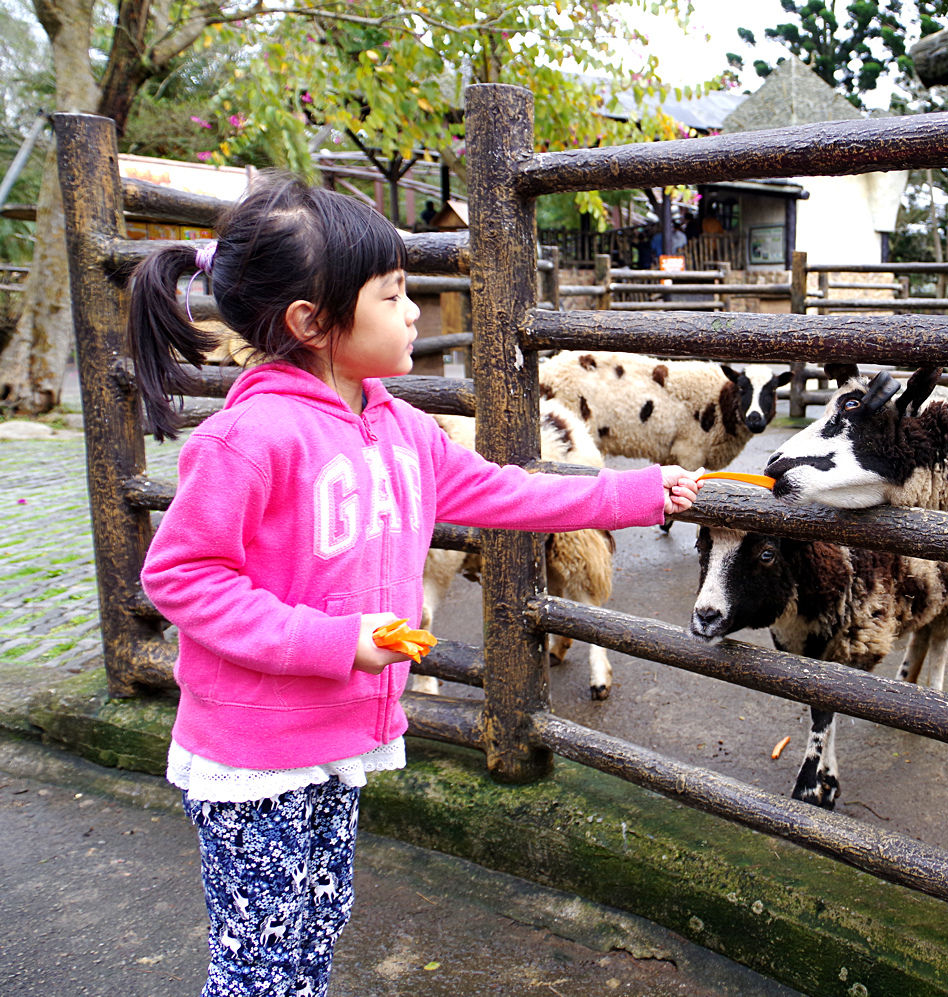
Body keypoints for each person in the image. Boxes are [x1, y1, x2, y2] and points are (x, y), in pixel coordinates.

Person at [128, 173, 701, 997]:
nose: (412, 313)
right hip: (253, 757)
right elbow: (182, 574)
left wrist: (637, 495)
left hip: (336, 742)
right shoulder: (250, 439)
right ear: (312, 323)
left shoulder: (401, 431)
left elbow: (510, 492)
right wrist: (333, 641)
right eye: (393, 295)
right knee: (260, 959)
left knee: (315, 926)